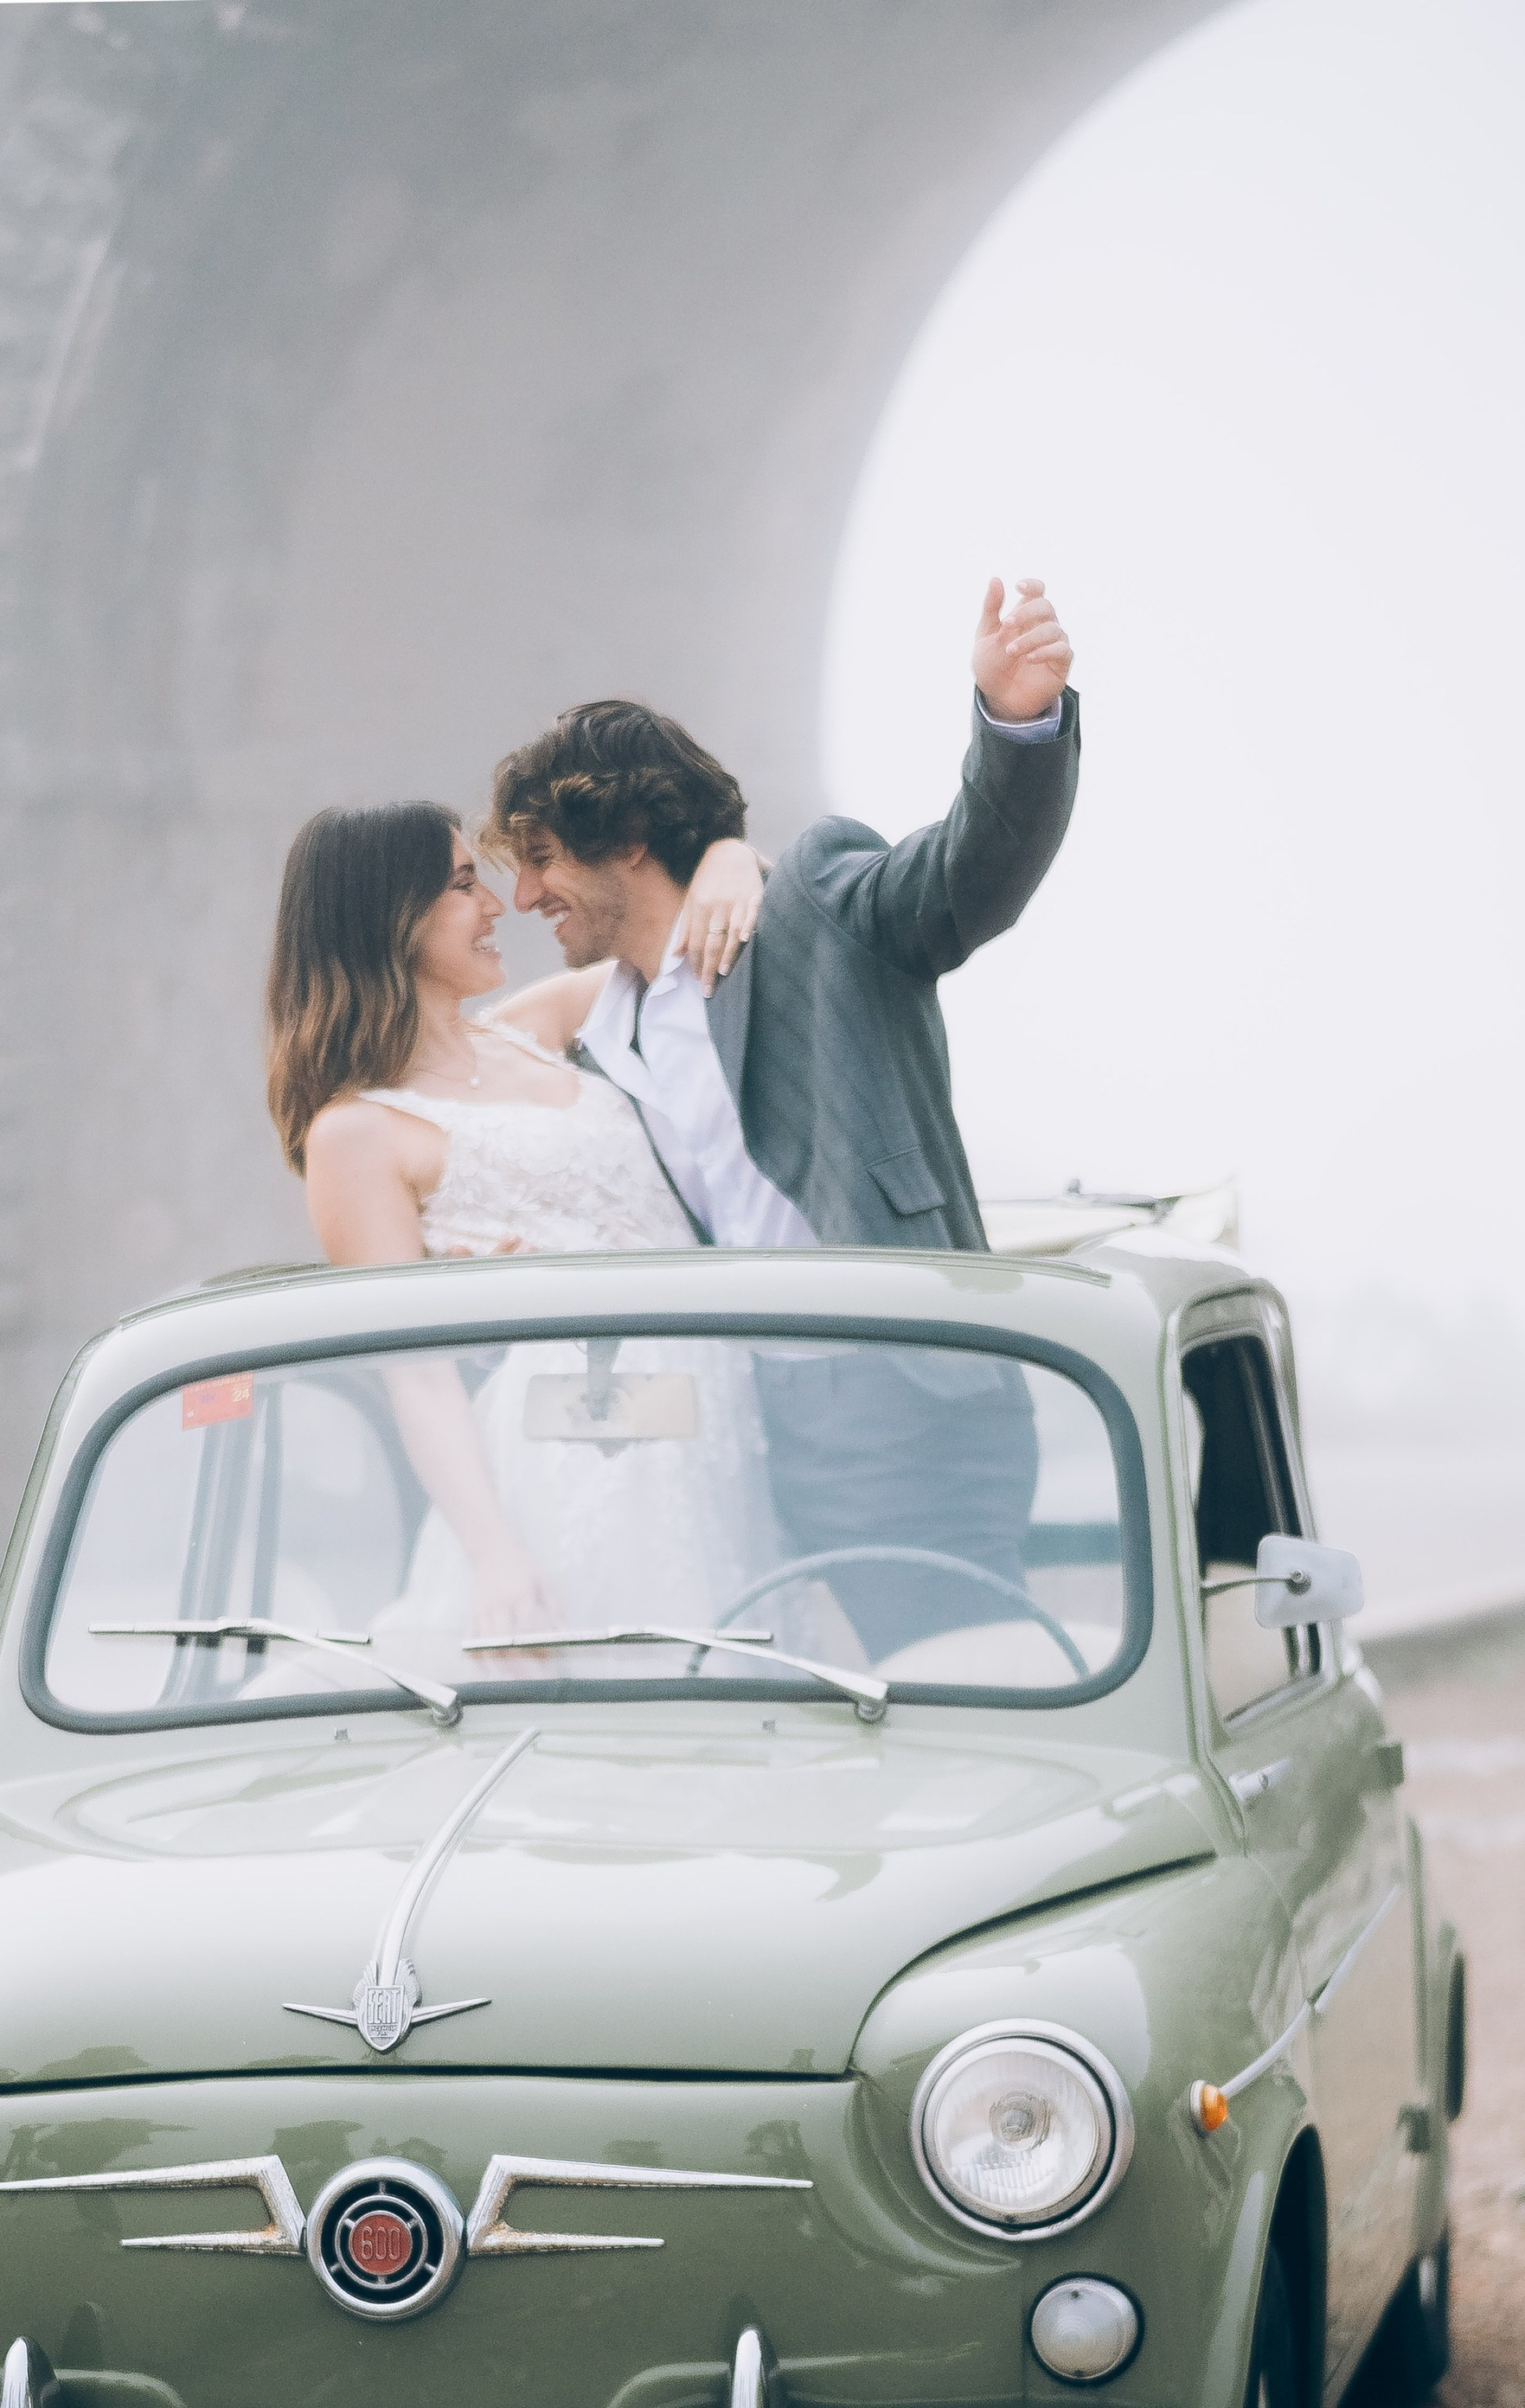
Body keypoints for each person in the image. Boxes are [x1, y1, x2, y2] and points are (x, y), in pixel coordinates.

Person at [477, 578, 1080, 1656]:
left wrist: (1016, 723)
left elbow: (963, 880)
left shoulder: (810, 905)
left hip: (901, 1394)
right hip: (742, 1431)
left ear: (622, 837)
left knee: (956, 1686)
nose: (523, 897)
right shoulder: (602, 1027)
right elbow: (444, 1069)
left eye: (540, 859)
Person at [263, 804, 773, 1649]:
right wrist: (495, 1556)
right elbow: (416, 1377)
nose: (499, 905)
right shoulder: (354, 1134)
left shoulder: (542, 1026)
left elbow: (687, 932)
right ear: (385, 914)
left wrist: (726, 855)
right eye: (464, 884)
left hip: (716, 1418)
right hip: (571, 1460)